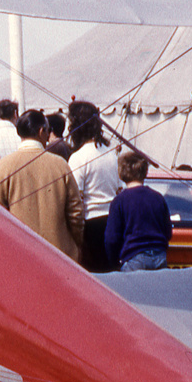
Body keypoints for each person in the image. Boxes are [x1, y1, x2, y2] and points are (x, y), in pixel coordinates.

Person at [0, 109, 84, 259]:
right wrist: (76, 242)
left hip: (20, 252)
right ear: (41, 131)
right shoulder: (60, 164)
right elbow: (75, 212)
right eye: (48, 130)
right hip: (60, 253)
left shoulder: (4, 166)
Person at [65, 101, 121, 272]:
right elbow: (120, 188)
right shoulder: (110, 153)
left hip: (91, 224)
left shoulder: (78, 157)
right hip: (113, 221)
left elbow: (75, 197)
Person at [101, 151, 172, 272]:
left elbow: (111, 239)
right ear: (144, 171)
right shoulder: (158, 198)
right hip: (160, 256)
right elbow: (168, 232)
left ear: (121, 172)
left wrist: (114, 263)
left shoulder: (119, 201)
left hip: (134, 258)